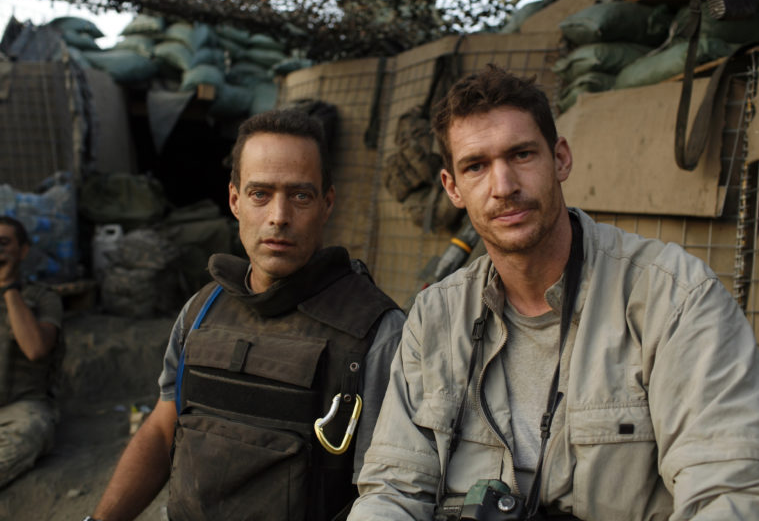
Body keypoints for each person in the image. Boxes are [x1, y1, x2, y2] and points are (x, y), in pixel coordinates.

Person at [349, 65, 759, 520]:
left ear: (560, 159)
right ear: (453, 188)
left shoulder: (674, 298)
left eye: (521, 154)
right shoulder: (434, 317)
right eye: (476, 166)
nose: (503, 187)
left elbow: (727, 492)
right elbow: (392, 491)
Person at [89, 109, 404, 521]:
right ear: (235, 200)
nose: (279, 216)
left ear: (327, 204)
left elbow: (384, 493)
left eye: (300, 196)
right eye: (260, 194)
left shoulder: (377, 333)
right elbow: (164, 427)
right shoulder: (201, 311)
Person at [0, 216, 63, 488]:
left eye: (3, 243)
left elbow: (36, 349)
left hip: (21, 408)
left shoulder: (42, 297)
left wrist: (8, 287)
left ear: (23, 250)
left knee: (27, 436)